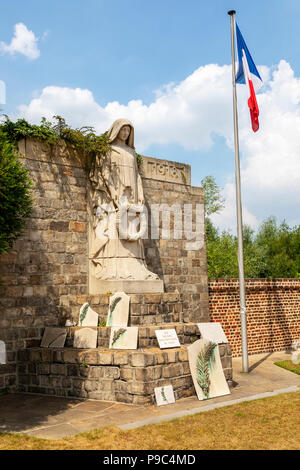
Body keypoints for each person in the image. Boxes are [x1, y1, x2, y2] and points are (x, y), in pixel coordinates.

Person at [89, 118, 159, 281]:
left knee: (132, 228)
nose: (125, 133)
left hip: (132, 196)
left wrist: (140, 194)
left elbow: (137, 176)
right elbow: (105, 174)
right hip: (117, 195)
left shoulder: (132, 152)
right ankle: (114, 266)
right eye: (123, 129)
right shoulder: (109, 150)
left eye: (128, 130)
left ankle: (136, 266)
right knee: (115, 227)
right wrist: (114, 195)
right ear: (116, 130)